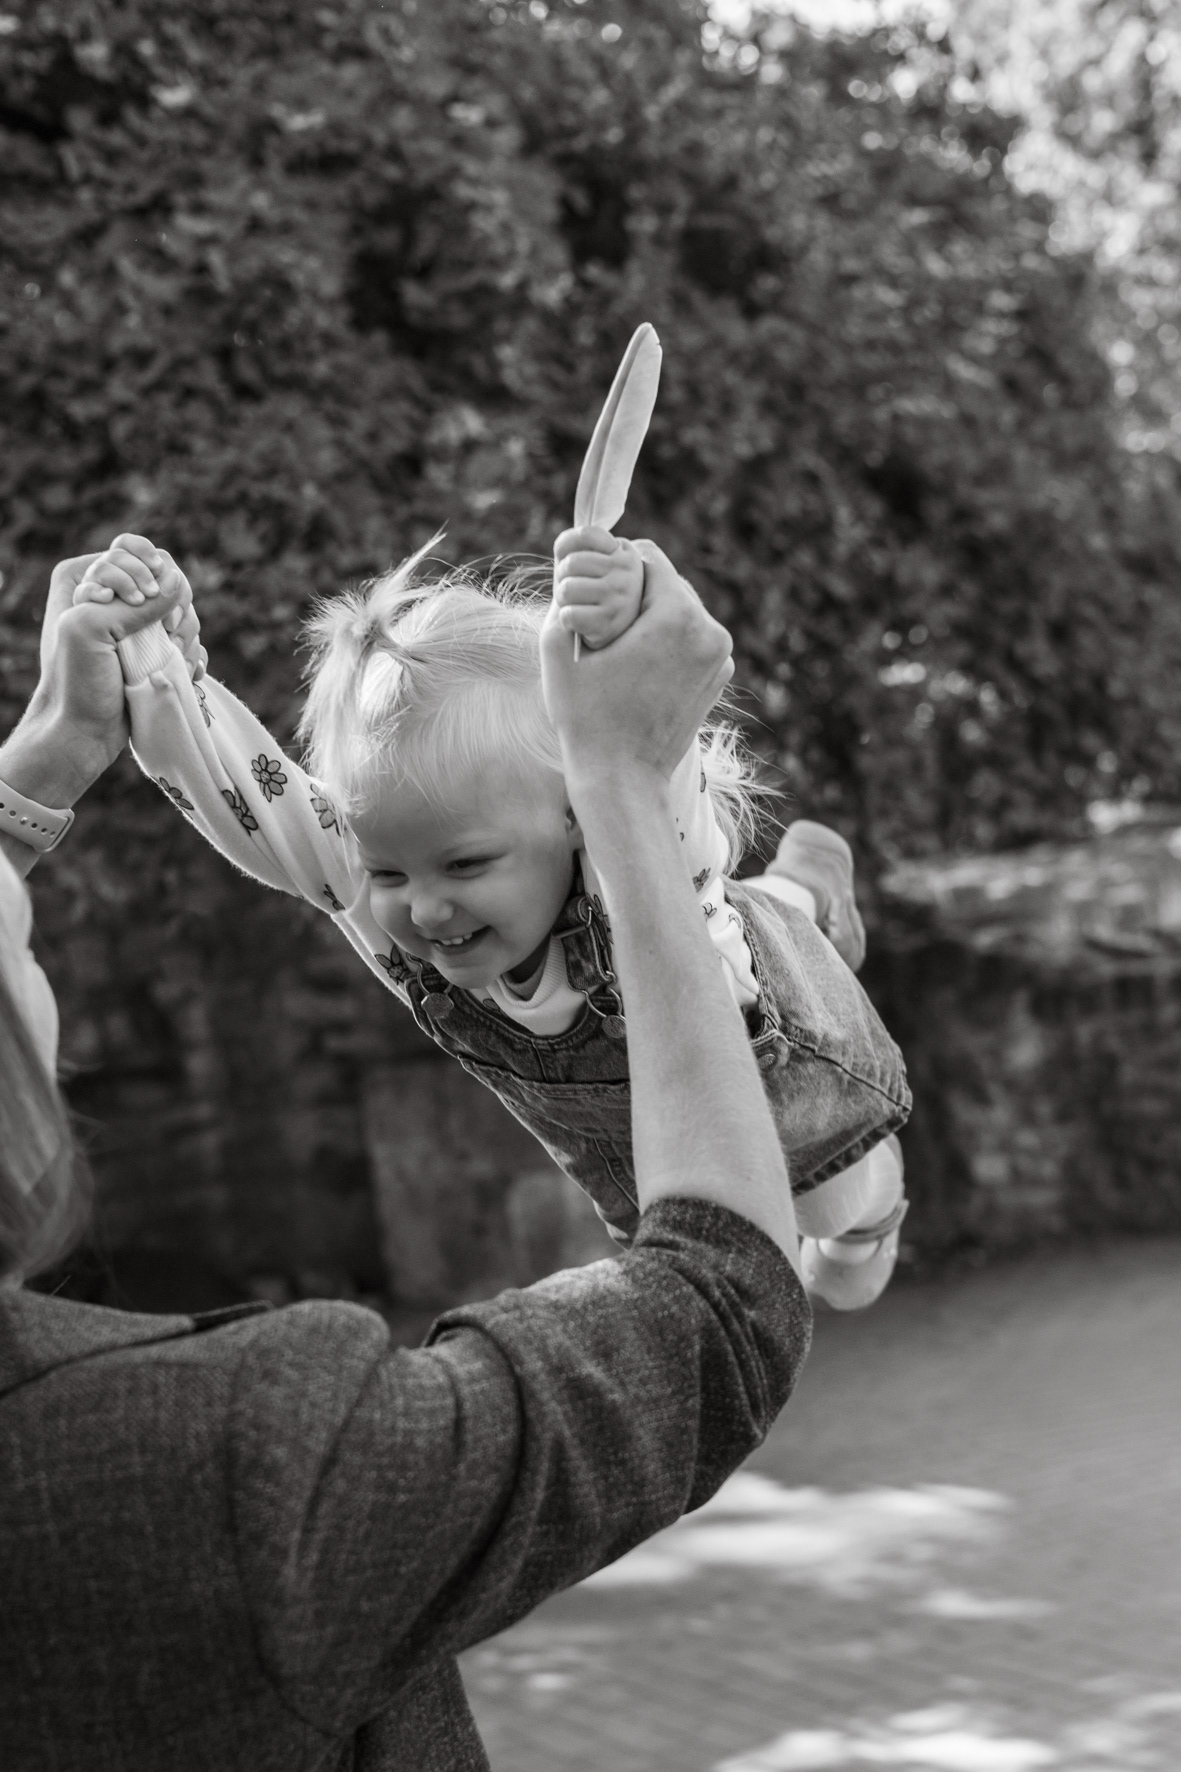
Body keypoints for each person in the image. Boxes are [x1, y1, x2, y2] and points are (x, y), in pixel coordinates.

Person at [0, 541, 812, 1770]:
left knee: (843, 1154)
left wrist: (72, 736)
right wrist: (619, 768)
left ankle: (807, 902)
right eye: (15, 929)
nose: (422, 907)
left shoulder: (601, 866)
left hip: (777, 1037)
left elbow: (675, 811)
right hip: (685, 1143)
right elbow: (718, 1316)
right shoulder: (245, 1469)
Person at [80, 527, 911, 1308]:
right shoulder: (372, 872)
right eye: (389, 872)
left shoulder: (626, 840)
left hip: (786, 1067)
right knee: (730, 1292)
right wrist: (151, 658)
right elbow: (236, 791)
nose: (424, 906)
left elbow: (646, 754)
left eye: (466, 865)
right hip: (649, 1155)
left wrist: (620, 626)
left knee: (834, 1235)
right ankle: (801, 890)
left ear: (575, 813)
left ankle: (805, 895)